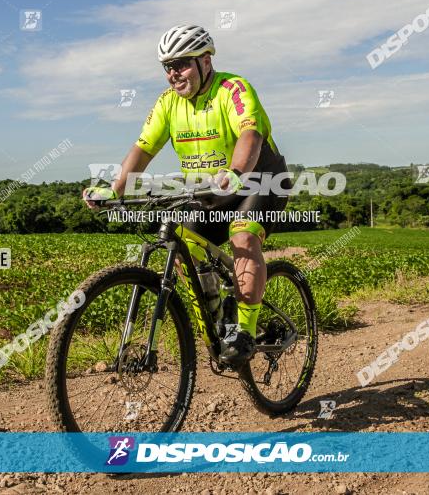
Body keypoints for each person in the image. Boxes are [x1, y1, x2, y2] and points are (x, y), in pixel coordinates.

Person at [82, 23, 290, 365]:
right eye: (168, 67)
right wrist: (114, 189)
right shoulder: (167, 104)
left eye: (181, 64)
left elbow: (250, 134)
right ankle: (218, 323)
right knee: (183, 248)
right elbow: (143, 149)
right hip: (211, 189)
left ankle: (244, 333)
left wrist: (236, 173)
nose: (173, 74)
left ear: (205, 61)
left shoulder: (233, 89)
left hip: (258, 179)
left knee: (243, 237)